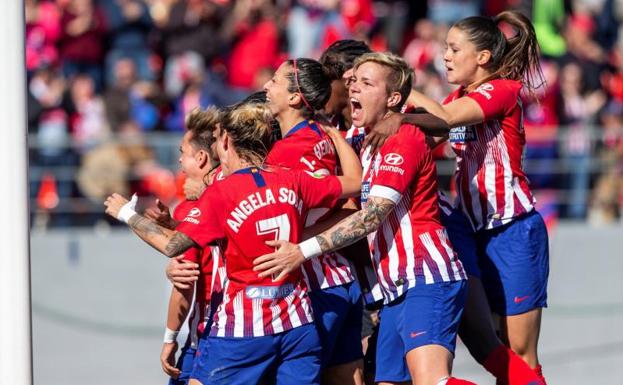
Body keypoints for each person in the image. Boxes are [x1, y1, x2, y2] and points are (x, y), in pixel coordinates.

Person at [253, 52, 474, 385]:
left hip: (426, 275)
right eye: (354, 81)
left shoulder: (403, 138)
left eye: (366, 83)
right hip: (395, 287)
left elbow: (370, 217)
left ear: (393, 98)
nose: (353, 88)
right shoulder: (363, 138)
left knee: (437, 379)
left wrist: (302, 249)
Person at [104, 101, 363, 385]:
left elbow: (173, 246)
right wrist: (336, 136)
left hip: (243, 329)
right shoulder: (293, 179)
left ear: (226, 141)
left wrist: (126, 214)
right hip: (298, 323)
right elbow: (355, 182)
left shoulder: (219, 194)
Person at [364, 11, 549, 384]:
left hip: (511, 230)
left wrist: (396, 88)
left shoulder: (502, 89)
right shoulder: (456, 96)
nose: (445, 55)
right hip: (469, 230)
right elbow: (428, 137)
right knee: (488, 344)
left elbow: (444, 119)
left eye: (454, 48)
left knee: (519, 351)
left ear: (482, 57)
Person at [263, 58, 365, 384]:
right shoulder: (322, 134)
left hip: (314, 287)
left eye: (275, 81)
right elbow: (349, 204)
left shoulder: (283, 154)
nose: (266, 86)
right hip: (342, 278)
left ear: (295, 98)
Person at [145, 108, 225, 385]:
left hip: (212, 334)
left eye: (183, 152)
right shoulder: (237, 192)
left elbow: (184, 280)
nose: (178, 159)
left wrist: (125, 214)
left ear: (201, 157)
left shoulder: (196, 205)